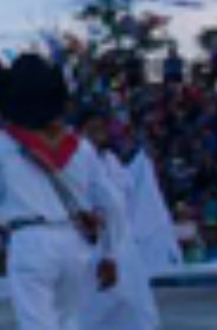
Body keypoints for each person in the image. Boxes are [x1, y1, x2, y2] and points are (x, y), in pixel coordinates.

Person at [0, 55, 124, 330]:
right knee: (69, 323)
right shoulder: (80, 146)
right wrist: (110, 254)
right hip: (74, 240)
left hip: (29, 239)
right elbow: (112, 202)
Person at [76, 111, 160, 330]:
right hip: (91, 243)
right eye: (91, 130)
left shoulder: (111, 161)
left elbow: (125, 194)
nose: (97, 136)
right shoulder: (75, 164)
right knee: (93, 308)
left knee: (133, 306)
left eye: (100, 130)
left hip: (121, 242)